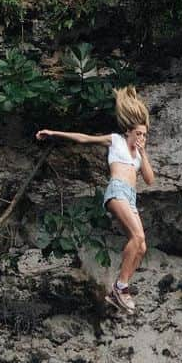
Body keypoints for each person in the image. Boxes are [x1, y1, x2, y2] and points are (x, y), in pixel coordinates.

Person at [35, 87, 155, 313]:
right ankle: (121, 287)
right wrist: (54, 133)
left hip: (131, 197)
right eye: (138, 133)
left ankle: (117, 292)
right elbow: (84, 139)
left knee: (142, 246)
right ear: (128, 131)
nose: (141, 138)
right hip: (117, 191)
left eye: (144, 135)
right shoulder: (116, 140)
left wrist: (144, 153)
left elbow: (149, 180)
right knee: (137, 236)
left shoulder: (139, 155)